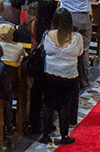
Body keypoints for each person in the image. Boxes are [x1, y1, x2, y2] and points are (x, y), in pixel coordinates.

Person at [38, 8, 83, 145]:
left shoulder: (48, 35)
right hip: (68, 75)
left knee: (48, 104)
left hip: (50, 73)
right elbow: (80, 53)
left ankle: (45, 135)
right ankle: (64, 136)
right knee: (65, 105)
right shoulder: (76, 38)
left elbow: (44, 50)